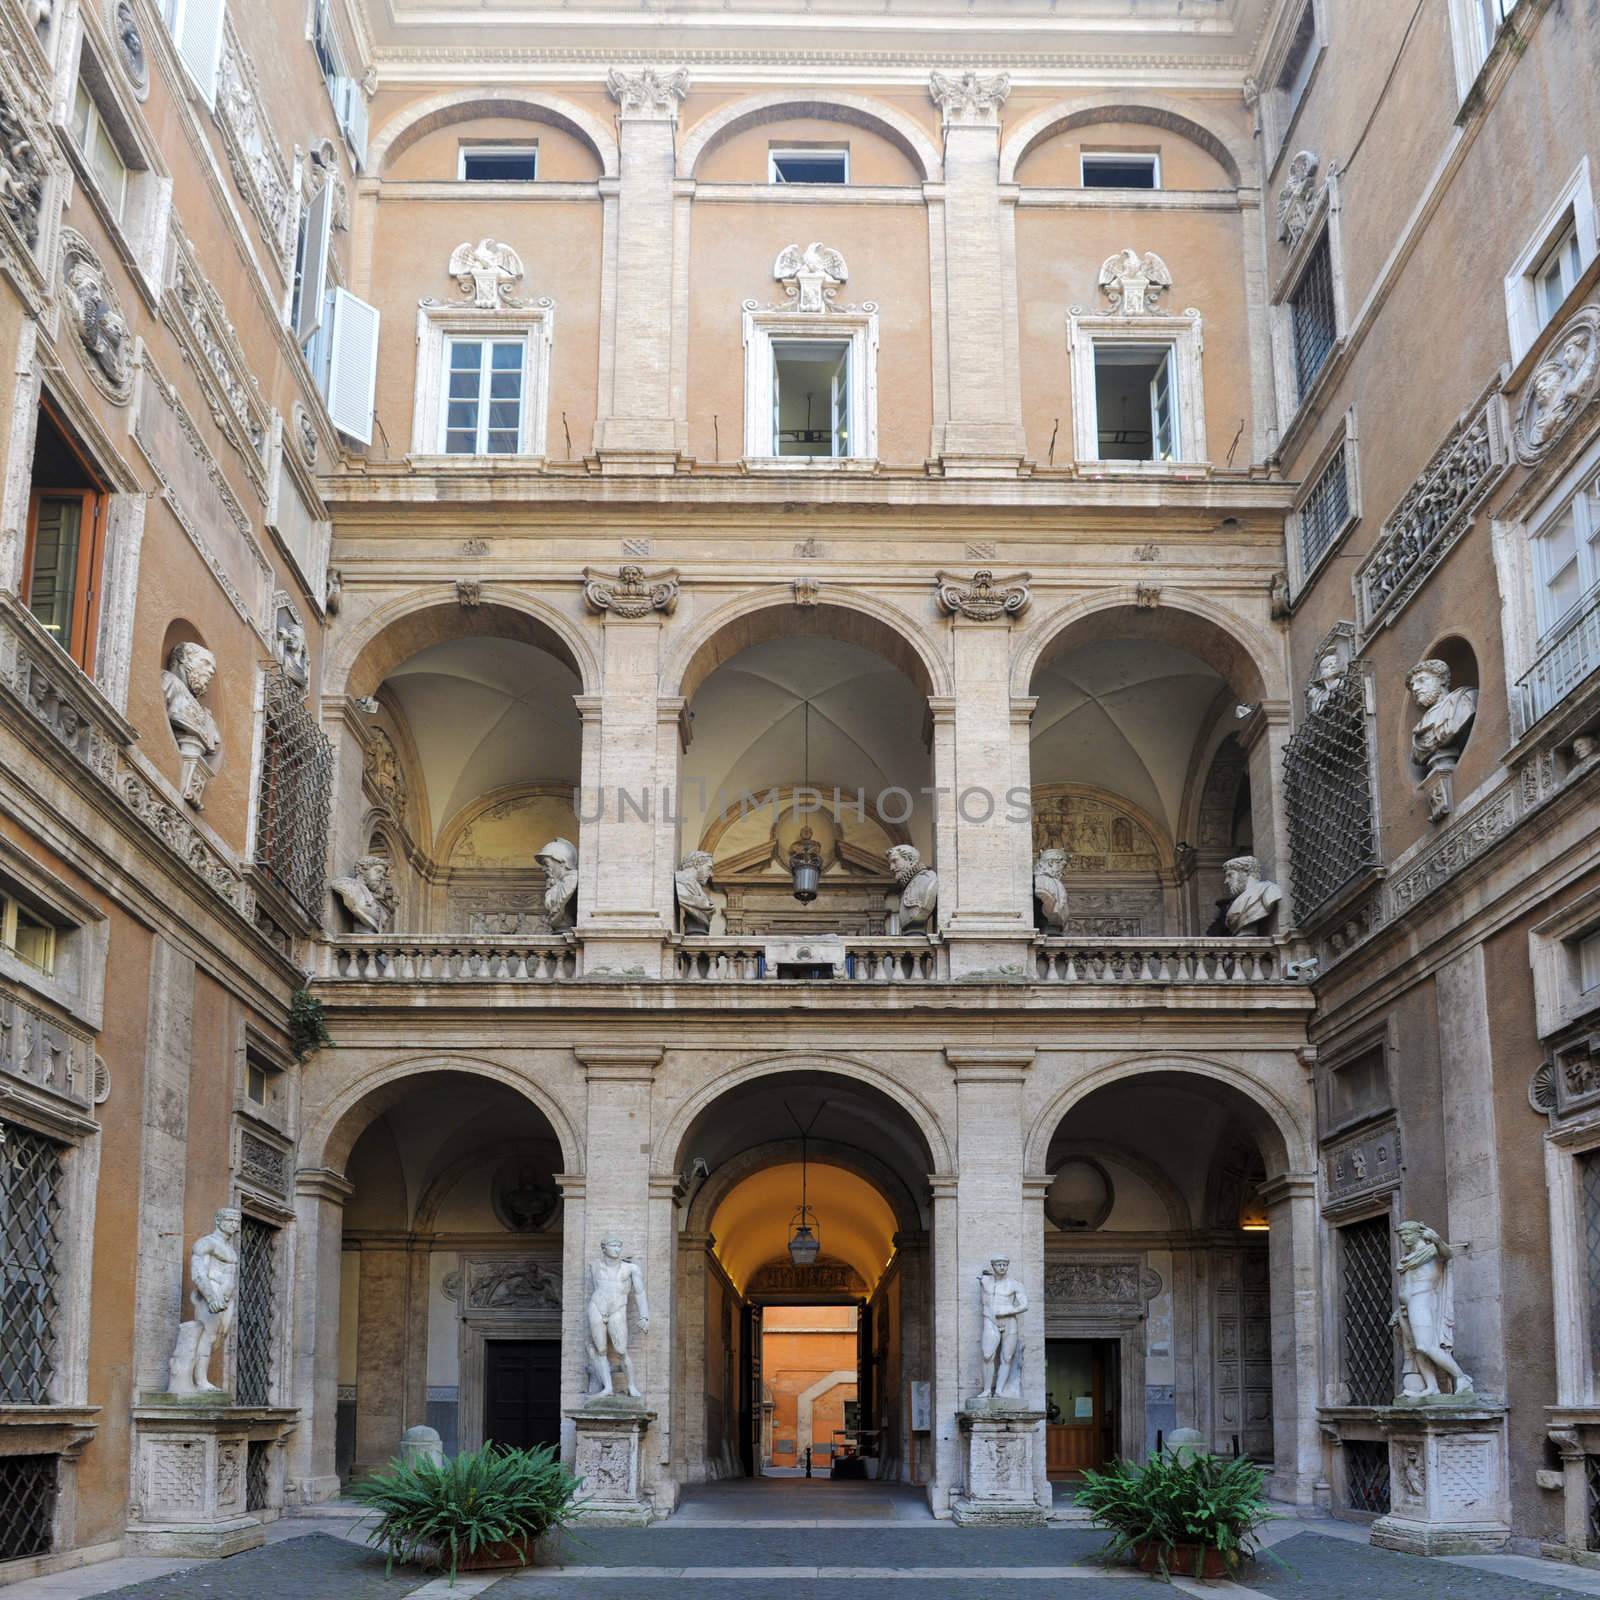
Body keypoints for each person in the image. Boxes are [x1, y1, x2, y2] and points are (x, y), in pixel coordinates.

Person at [1392, 1220, 1474, 1399]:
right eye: (1401, 1236)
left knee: (1426, 1345)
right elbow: (1407, 1284)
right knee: (1416, 1349)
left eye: (1407, 1234)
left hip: (1422, 1300)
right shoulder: (1409, 1257)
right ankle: (1432, 1387)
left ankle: (1462, 1378)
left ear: (1418, 1234)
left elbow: (1447, 1253)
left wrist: (1436, 1240)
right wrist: (1400, 1310)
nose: (1404, 1239)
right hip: (1407, 1305)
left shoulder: (1432, 1251)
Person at [587, 1234, 650, 1400]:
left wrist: (644, 1316)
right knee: (600, 1350)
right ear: (604, 1248)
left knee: (621, 1351)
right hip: (597, 1307)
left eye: (619, 1246)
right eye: (613, 1245)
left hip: (617, 1308)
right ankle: (607, 1387)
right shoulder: (594, 1266)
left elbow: (640, 1292)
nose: (617, 1249)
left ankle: (631, 1386)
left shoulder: (630, 1269)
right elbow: (596, 1287)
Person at [974, 1256, 1028, 1402]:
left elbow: (1024, 1305)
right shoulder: (985, 1281)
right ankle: (986, 1390)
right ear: (993, 1266)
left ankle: (998, 1390)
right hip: (990, 1319)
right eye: (999, 1264)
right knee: (987, 1355)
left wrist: (1007, 1311)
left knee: (1007, 1357)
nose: (1002, 1267)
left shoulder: (1015, 1284)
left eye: (1005, 1264)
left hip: (1009, 1321)